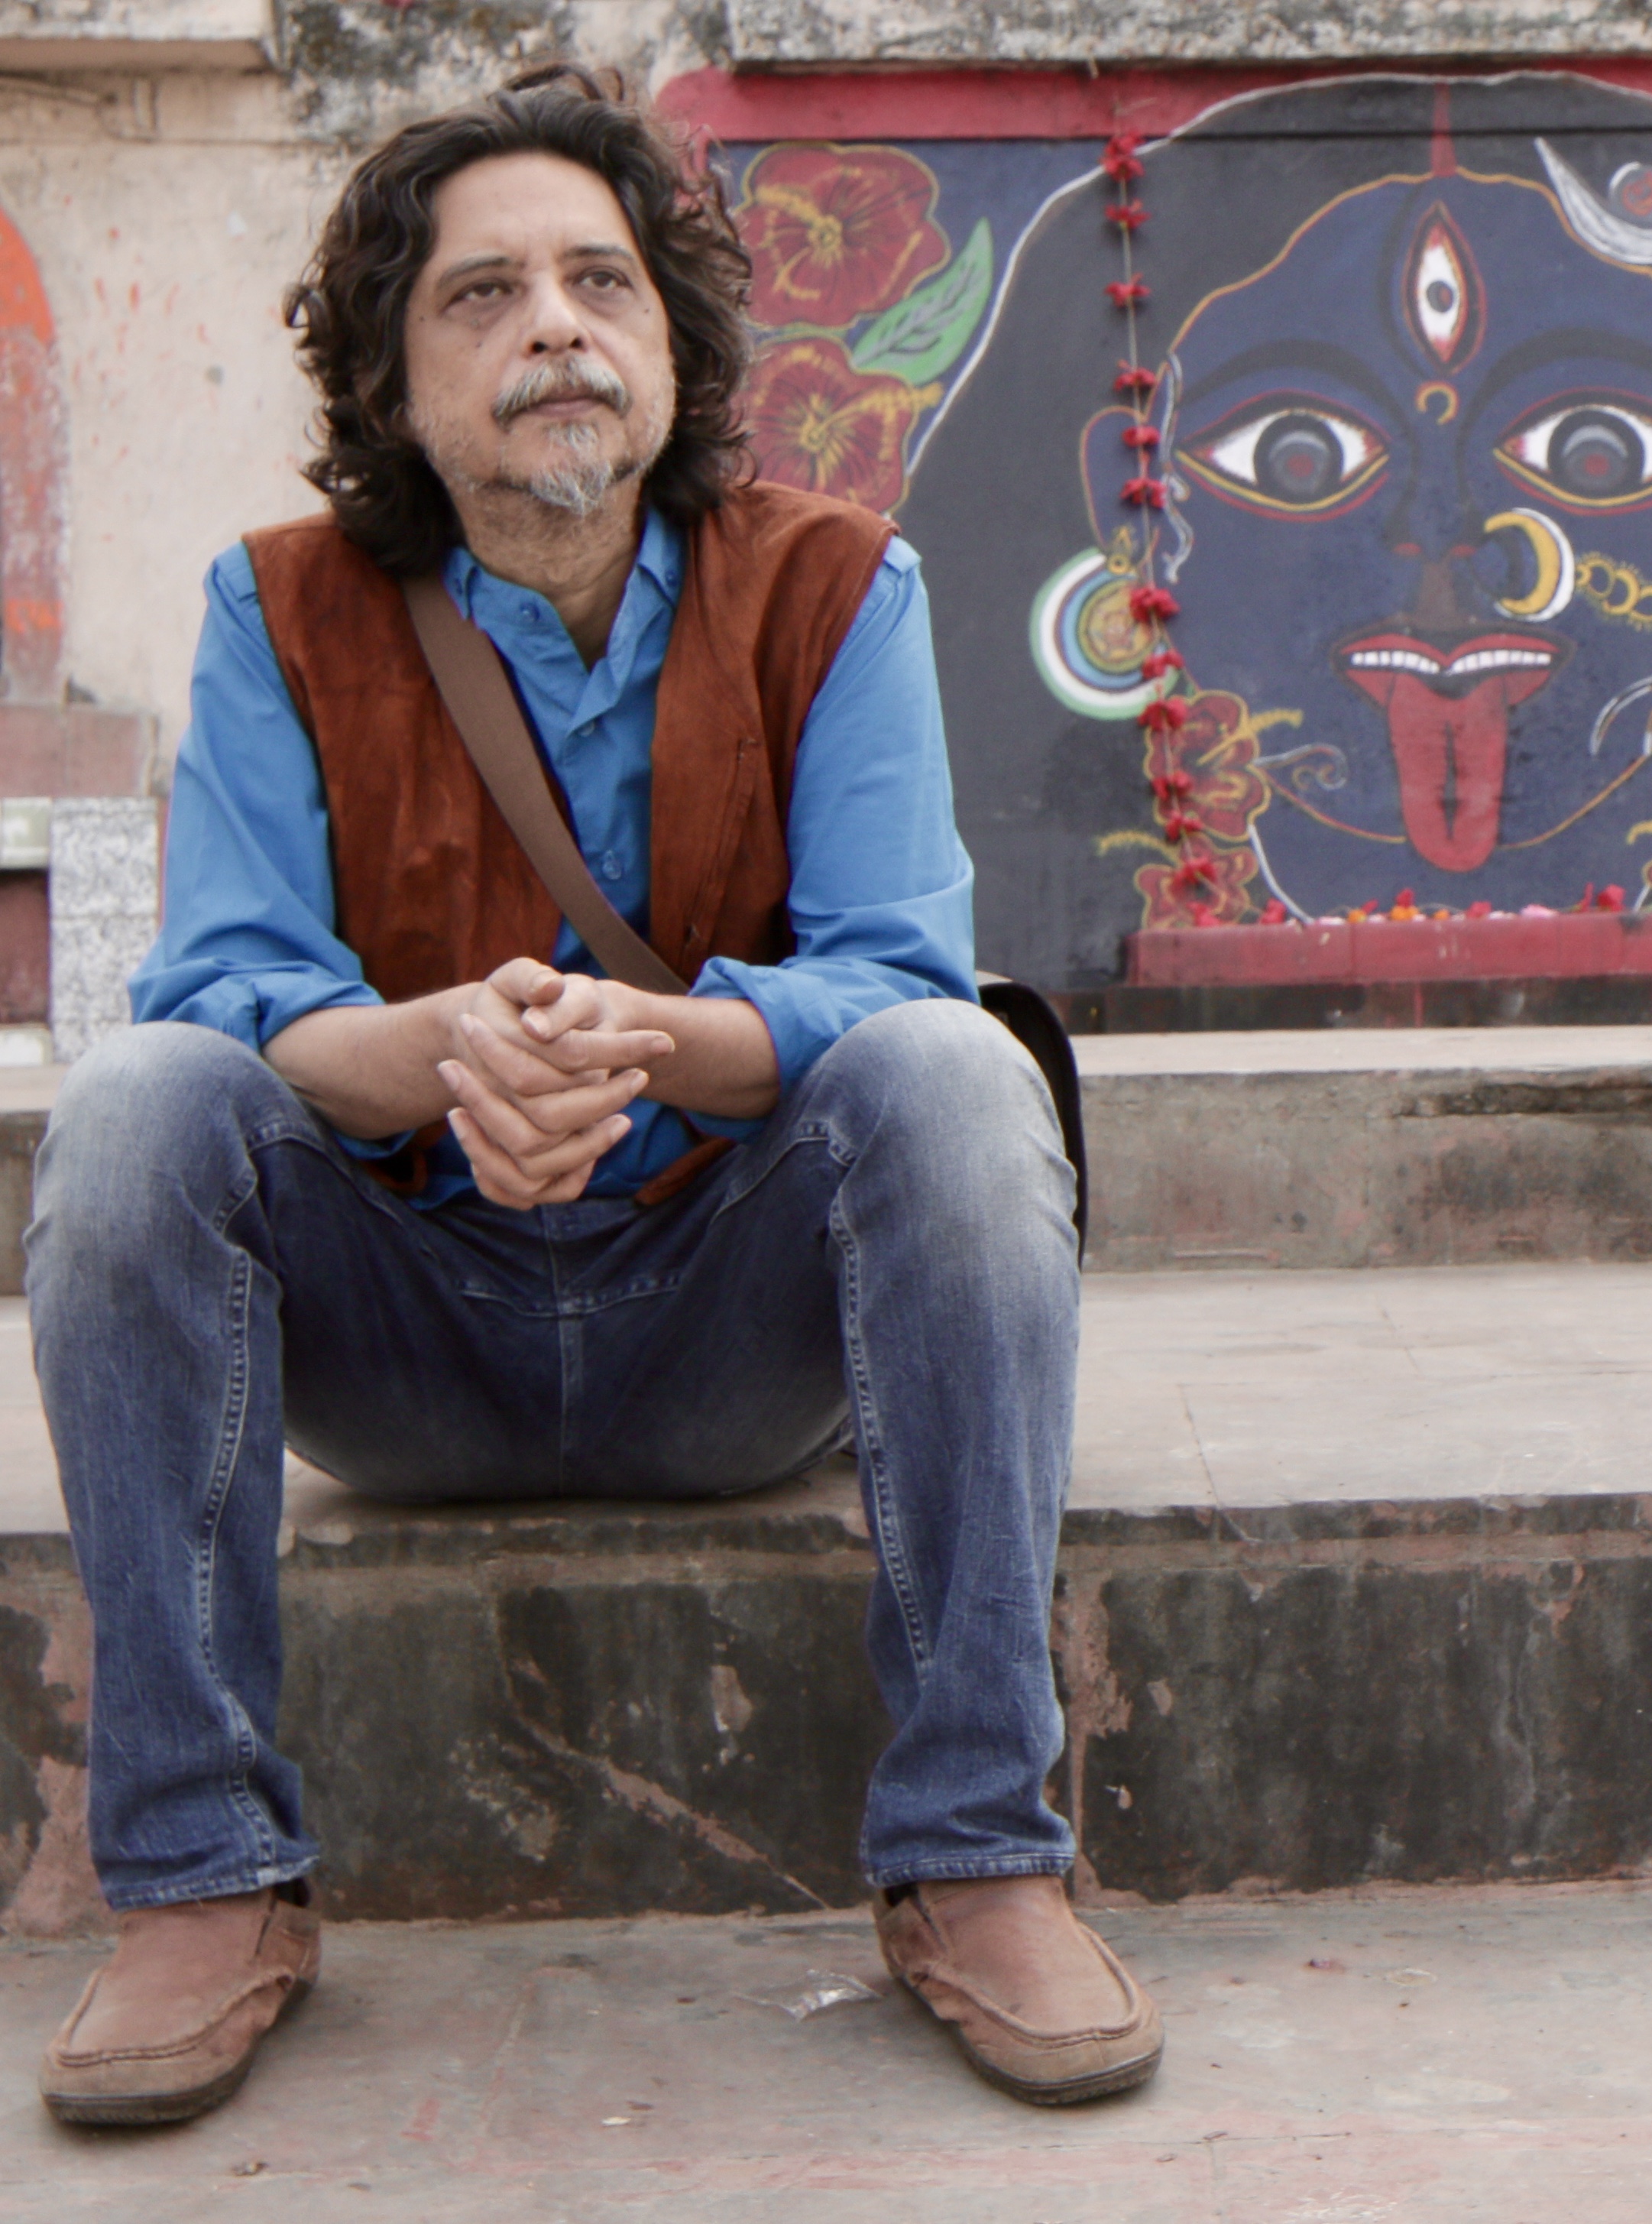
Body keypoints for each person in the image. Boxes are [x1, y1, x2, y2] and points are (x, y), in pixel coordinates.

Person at [25, 64, 1159, 2126]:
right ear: (394, 388)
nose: (553, 325)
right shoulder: (276, 610)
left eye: (597, 281)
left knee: (956, 1069)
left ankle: (980, 1854)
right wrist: (451, 1052)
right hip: (409, 1330)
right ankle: (200, 1878)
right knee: (135, 1108)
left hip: (728, 1334)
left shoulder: (840, 588)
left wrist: (638, 1042)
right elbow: (232, 987)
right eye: (481, 296)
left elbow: (888, 967)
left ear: (671, 342)